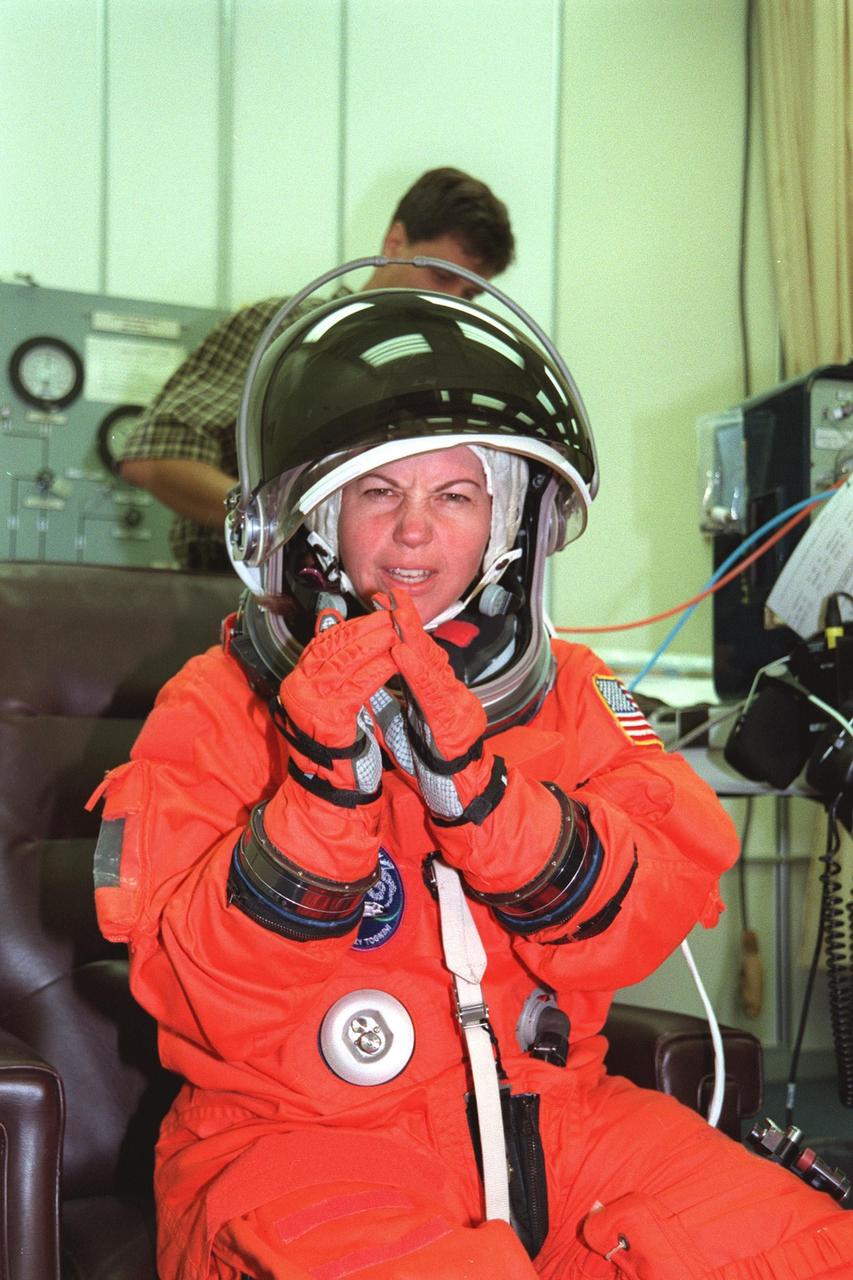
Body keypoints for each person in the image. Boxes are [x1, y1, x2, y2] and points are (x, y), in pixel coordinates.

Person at [91, 284, 853, 1279]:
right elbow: (197, 994)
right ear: (316, 519)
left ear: (504, 526)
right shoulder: (217, 701)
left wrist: (492, 808)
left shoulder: (575, 693)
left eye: (452, 496)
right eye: (379, 492)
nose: (415, 532)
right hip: (299, 1138)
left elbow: (665, 890)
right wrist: (321, 799)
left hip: (560, 1123)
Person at [118, 166, 515, 571]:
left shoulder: (447, 383)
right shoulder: (288, 333)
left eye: (468, 293)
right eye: (442, 276)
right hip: (244, 599)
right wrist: (284, 526)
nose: (451, 303)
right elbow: (154, 458)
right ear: (395, 243)